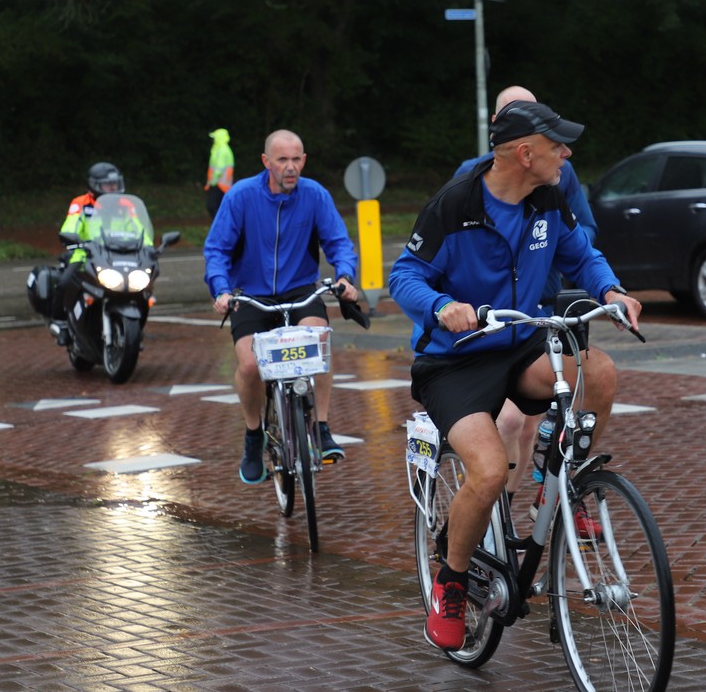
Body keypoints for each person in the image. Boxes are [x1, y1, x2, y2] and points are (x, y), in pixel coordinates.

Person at [388, 99, 641, 650]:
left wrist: (611, 291)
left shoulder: (548, 197)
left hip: (521, 346)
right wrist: (440, 306)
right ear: (525, 154)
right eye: (557, 145)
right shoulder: (454, 205)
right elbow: (403, 276)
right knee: (486, 473)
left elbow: (582, 255)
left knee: (598, 372)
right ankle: (452, 583)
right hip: (454, 361)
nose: (566, 154)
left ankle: (563, 484)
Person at [455, 85, 600, 506]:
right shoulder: (469, 177)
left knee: (541, 420)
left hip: (546, 306)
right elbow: (439, 255)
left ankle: (544, 500)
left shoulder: (558, 173)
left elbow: (584, 232)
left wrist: (552, 245)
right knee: (511, 422)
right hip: (494, 317)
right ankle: (495, 510)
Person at [204, 129, 360, 483]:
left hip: (299, 289)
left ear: (304, 160)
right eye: (282, 160)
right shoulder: (241, 196)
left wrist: (345, 276)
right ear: (266, 162)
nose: (290, 167)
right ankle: (253, 435)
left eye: (296, 159)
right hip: (251, 294)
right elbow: (217, 250)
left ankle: (320, 428)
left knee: (319, 344)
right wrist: (221, 290)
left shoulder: (315, 195)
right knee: (250, 366)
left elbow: (338, 242)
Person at [51, 161, 125, 344]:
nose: (113, 188)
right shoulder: (81, 203)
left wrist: (147, 246)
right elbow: (71, 224)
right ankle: (60, 323)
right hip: (85, 255)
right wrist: (71, 236)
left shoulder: (125, 205)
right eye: (108, 185)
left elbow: (139, 229)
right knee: (64, 283)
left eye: (115, 184)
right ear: (94, 186)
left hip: (117, 255)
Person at [205, 128, 235, 219]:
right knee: (219, 206)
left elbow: (219, 169)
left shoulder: (222, 150)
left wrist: (212, 182)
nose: (213, 139)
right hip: (222, 183)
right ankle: (222, 223)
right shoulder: (220, 149)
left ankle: (220, 223)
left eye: (215, 137)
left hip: (219, 183)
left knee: (212, 206)